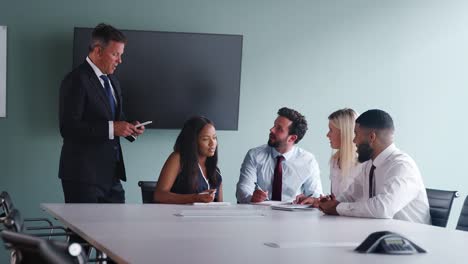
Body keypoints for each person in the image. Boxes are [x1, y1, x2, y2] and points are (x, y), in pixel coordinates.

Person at [58, 23, 145, 203]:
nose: (119, 61)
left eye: (121, 55)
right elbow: (68, 128)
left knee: (117, 230)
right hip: (83, 178)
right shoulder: (76, 80)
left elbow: (116, 119)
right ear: (97, 51)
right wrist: (113, 128)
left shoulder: (113, 81)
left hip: (112, 176)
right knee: (82, 232)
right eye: (115, 54)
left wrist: (130, 128)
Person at [317, 109, 431, 224]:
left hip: (409, 238)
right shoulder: (369, 165)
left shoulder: (402, 166)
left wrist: (338, 208)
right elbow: (351, 195)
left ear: (372, 137)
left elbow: (383, 208)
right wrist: (331, 203)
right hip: (381, 233)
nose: (354, 140)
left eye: (356, 134)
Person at [236, 107, 322, 203]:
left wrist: (311, 200)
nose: (271, 130)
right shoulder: (255, 155)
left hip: (294, 215)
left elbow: (315, 195)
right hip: (260, 212)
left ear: (292, 138)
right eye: (274, 125)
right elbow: (242, 189)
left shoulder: (308, 160)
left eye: (279, 129)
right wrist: (251, 198)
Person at [296, 108, 363, 204]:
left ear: (344, 133)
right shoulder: (335, 160)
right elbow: (337, 198)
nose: (327, 135)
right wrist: (316, 200)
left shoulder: (363, 164)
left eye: (331, 130)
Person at [154, 116, 223, 204]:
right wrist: (195, 198)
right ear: (193, 141)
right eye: (205, 139)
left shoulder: (215, 171)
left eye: (214, 138)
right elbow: (159, 195)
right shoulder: (178, 158)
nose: (212, 143)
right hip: (177, 216)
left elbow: (220, 206)